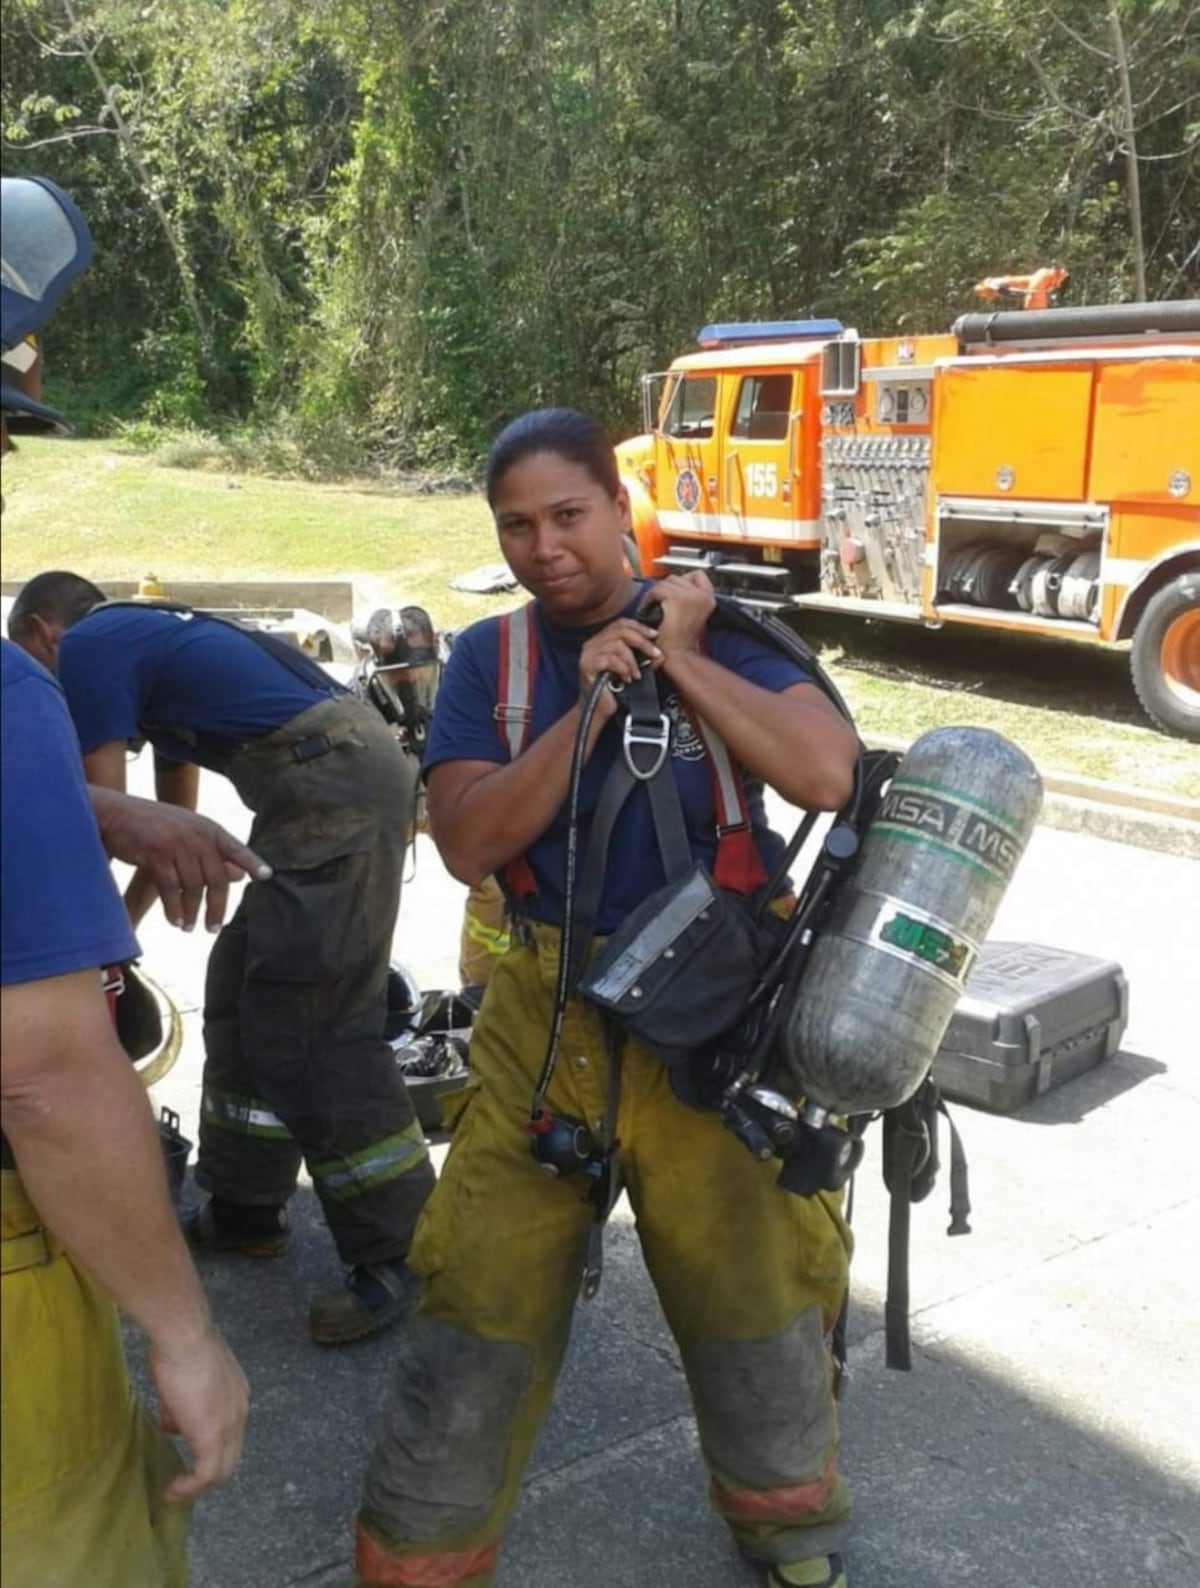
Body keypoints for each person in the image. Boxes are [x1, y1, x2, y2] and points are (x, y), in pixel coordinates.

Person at [353, 408, 862, 1588]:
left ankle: (788, 1525)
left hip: (717, 1029)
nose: (545, 546)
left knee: (754, 1284)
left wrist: (674, 655)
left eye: (568, 515)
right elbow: (472, 841)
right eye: (517, 525)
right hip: (546, 1021)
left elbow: (826, 772)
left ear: (619, 511)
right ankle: (425, 1556)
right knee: (480, 1288)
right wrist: (587, 712)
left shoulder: (728, 634)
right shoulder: (496, 660)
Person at [1, 172, 248, 1588]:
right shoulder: (38, 685)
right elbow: (41, 1066)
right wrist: (187, 1332)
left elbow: (162, 796)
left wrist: (118, 831)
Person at [8, 567, 438, 1344]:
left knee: (311, 1020)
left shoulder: (90, 647)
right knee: (241, 985)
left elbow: (86, 824)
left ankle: (404, 1249)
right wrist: (122, 940)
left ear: (44, 635)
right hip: (320, 785)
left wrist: (84, 953)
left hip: (333, 787)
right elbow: (166, 822)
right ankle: (244, 1207)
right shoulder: (145, 644)